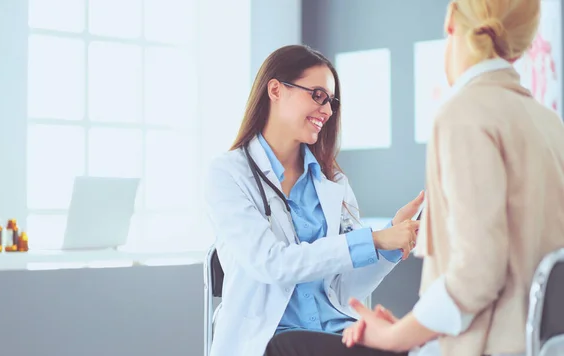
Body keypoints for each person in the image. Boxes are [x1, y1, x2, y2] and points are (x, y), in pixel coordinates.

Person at [265, 0, 564, 356]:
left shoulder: (462, 114)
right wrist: (415, 326)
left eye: (330, 99)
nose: (327, 109)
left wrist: (402, 335)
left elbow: (478, 272)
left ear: (452, 18)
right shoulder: (547, 122)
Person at [204, 44, 424, 356]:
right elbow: (272, 263)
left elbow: (344, 289)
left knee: (405, 348)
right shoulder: (228, 174)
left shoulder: (332, 182)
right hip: (273, 339)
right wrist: (373, 241)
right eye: (318, 95)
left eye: (332, 102)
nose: (328, 110)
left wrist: (390, 244)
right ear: (276, 90)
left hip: (333, 332)